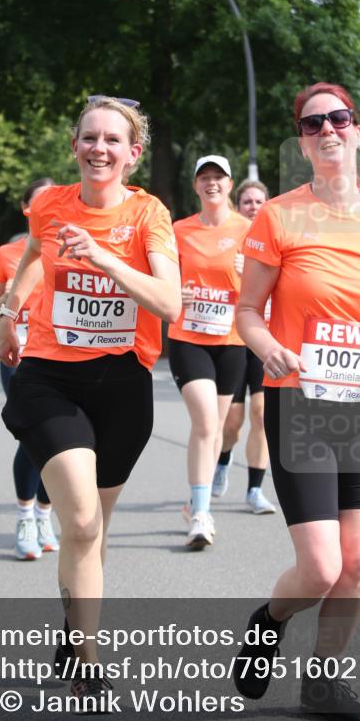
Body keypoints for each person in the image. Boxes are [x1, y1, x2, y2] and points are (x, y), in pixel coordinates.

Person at [234, 82, 360, 721]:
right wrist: (268, 349)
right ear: (301, 139)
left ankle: (323, 681)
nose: (328, 130)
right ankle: (270, 621)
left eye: (338, 118)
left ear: (358, 129)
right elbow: (247, 312)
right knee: (320, 568)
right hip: (300, 403)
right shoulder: (279, 216)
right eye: (313, 123)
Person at [0, 95, 181, 709]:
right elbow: (31, 256)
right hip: (51, 377)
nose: (99, 148)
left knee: (93, 535)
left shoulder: (150, 214)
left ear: (133, 153)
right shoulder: (49, 205)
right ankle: (91, 664)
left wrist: (104, 257)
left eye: (113, 140)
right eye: (89, 137)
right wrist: (7, 313)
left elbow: (168, 303)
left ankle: (74, 632)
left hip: (123, 385)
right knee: (78, 522)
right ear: (75, 144)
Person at [167, 155, 249, 549]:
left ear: (230, 185)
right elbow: (158, 276)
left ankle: (194, 503)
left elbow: (271, 286)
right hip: (188, 336)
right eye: (205, 178)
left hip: (231, 341)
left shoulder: (249, 230)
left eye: (219, 177)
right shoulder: (179, 230)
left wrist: (249, 270)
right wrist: (173, 291)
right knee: (204, 424)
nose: (212, 183)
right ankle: (201, 513)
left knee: (218, 428)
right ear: (196, 186)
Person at [0, 177, 59, 561]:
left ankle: (45, 515)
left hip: (61, 351)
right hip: (20, 352)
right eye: (40, 200)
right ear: (27, 208)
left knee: (59, 443)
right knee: (33, 436)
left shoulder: (73, 244)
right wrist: (9, 308)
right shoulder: (8, 253)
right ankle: (24, 516)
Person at [213, 179, 276, 514]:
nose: (253, 206)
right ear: (239, 207)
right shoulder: (229, 240)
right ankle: (223, 457)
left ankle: (254, 490)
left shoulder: (278, 239)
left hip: (267, 339)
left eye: (259, 201)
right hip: (235, 337)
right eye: (247, 202)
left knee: (262, 415)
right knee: (233, 421)